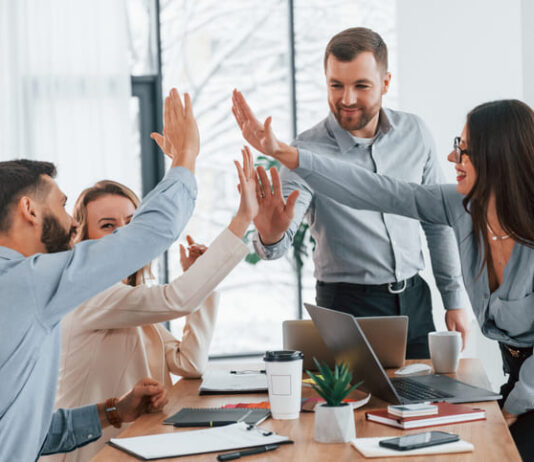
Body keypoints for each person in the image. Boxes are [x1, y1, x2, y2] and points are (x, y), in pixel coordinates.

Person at [233, 97, 534, 461]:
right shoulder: (461, 206)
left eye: (464, 149)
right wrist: (285, 153)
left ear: (496, 157)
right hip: (518, 382)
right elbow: (377, 190)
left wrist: (515, 406)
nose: (452, 158)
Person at [232, 27, 470, 358]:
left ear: (385, 83)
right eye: (336, 85)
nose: (347, 99)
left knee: (423, 403)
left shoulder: (415, 133)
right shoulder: (303, 152)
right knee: (354, 408)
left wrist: (453, 299)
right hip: (347, 307)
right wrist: (270, 236)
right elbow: (276, 243)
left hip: (415, 300)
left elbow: (437, 220)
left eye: (361, 85)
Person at [0, 88, 199, 461]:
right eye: (61, 204)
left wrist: (115, 411)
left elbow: (27, 430)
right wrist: (185, 158)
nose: (71, 220)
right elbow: (146, 235)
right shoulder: (27, 282)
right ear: (29, 209)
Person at [45, 146, 257, 462]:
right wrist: (242, 219)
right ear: (85, 239)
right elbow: (176, 300)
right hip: (86, 454)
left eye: (132, 222)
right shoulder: (91, 294)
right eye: (108, 226)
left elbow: (190, 363)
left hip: (131, 443)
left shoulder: (126, 298)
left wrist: (197, 278)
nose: (124, 235)